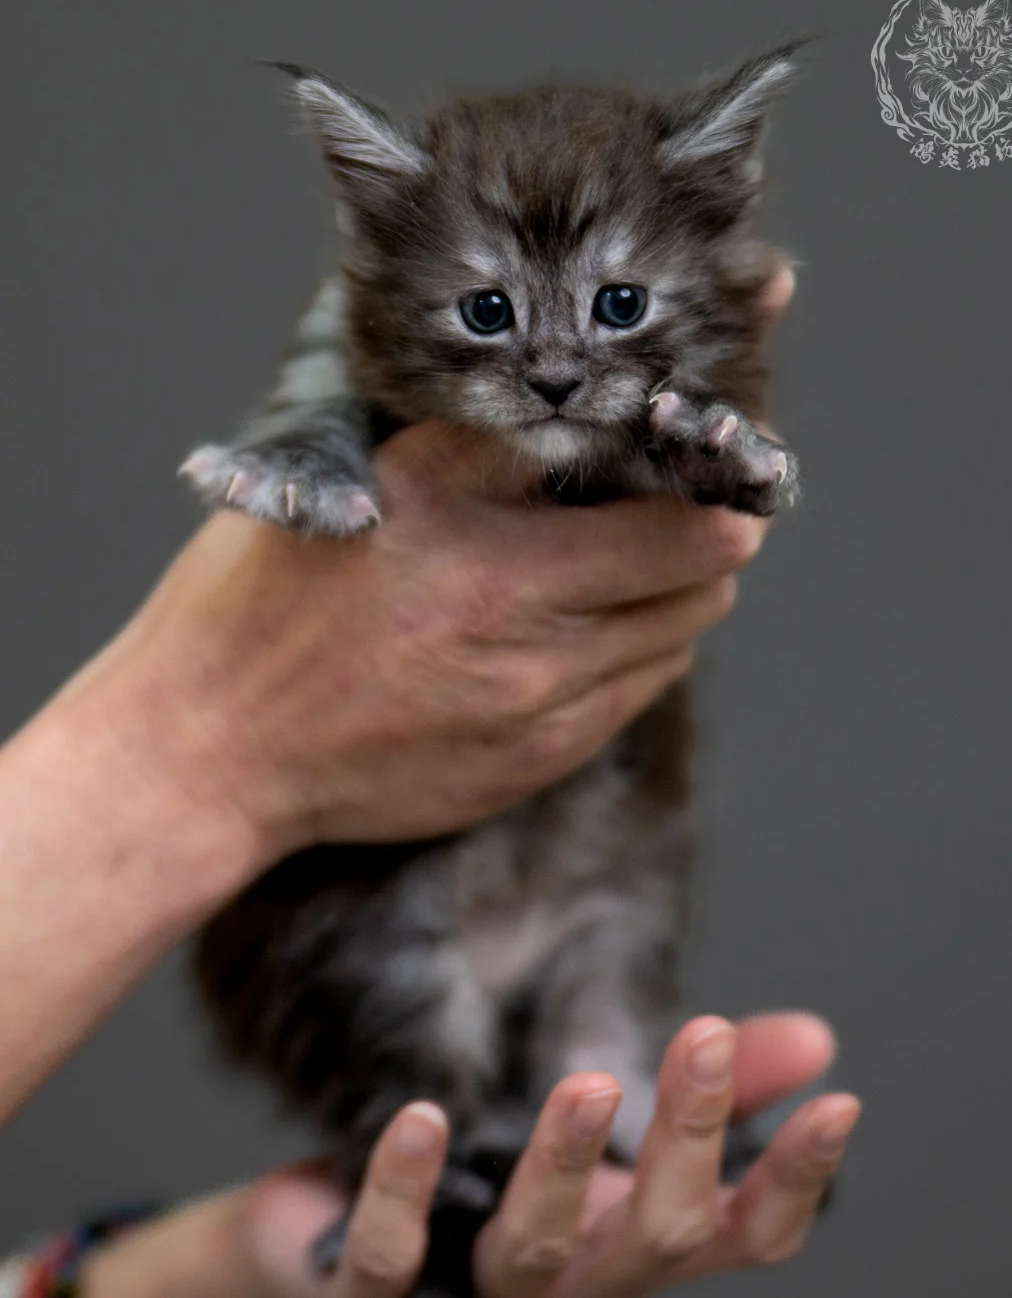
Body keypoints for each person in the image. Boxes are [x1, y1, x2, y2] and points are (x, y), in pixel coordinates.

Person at [0, 269, 859, 1297]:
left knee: (604, 940)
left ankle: (541, 1100)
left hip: (567, 894)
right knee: (410, 1001)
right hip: (397, 948)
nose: (550, 361)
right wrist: (197, 747)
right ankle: (449, 1132)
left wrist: (210, 1272)